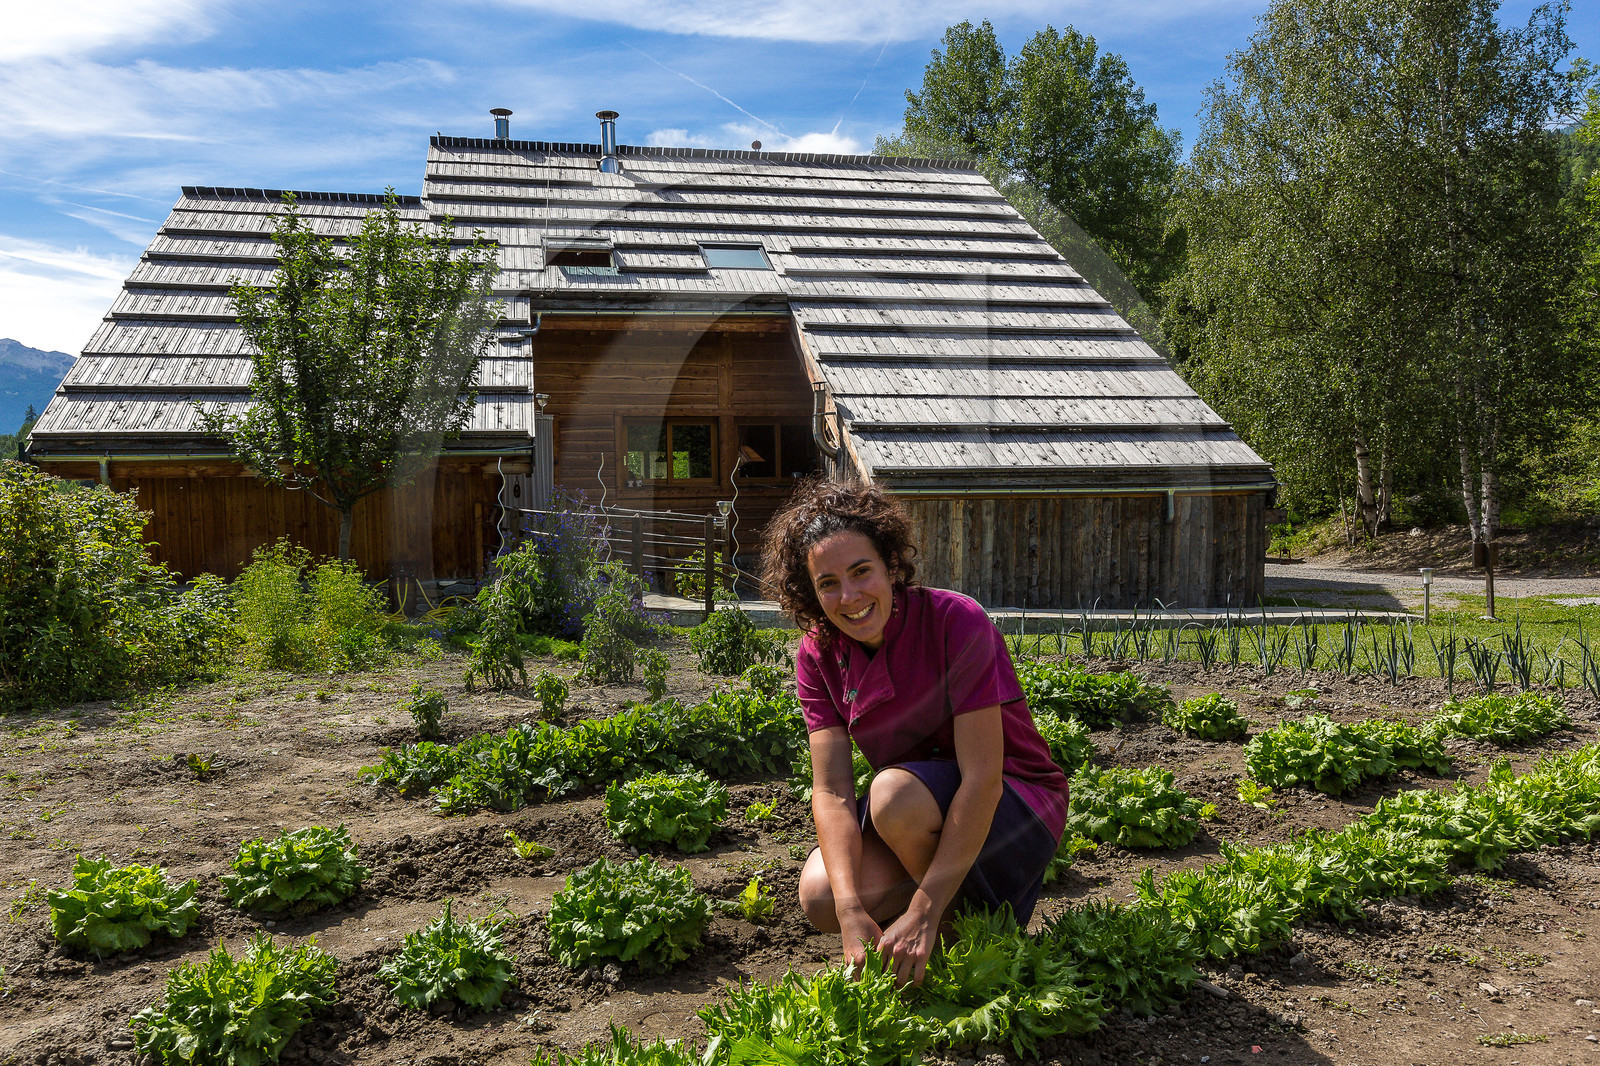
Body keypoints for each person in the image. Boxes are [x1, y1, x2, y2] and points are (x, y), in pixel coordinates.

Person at [761, 479, 1069, 987]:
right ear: (810, 592)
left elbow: (982, 779)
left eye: (862, 572)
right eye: (828, 583)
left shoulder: (954, 621)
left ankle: (955, 934)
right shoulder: (818, 655)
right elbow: (832, 790)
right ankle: (925, 930)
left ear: (891, 566)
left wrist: (925, 910)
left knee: (892, 795)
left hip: (1014, 800)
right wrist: (848, 913)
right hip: (918, 811)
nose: (850, 596)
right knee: (821, 893)